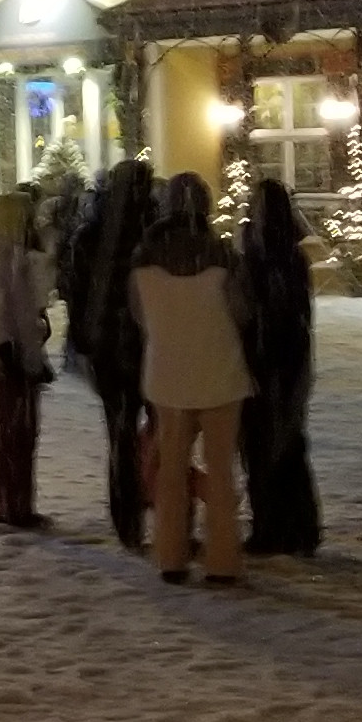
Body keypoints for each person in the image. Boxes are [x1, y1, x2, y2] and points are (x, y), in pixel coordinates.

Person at [127, 172, 253, 586]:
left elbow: (139, 317)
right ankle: (222, 560)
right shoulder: (222, 257)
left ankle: (171, 555)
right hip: (220, 372)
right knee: (220, 469)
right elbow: (242, 312)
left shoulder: (143, 261)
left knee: (171, 470)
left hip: (167, 375)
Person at [62, 153, 155, 551]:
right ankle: (165, 506)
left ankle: (128, 515)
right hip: (150, 347)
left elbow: (73, 291)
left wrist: (82, 337)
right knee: (162, 432)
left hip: (109, 349)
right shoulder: (153, 234)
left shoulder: (91, 236)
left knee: (121, 432)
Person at [236, 174, 322, 557]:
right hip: (292, 357)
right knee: (288, 441)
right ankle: (300, 527)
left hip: (266, 360)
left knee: (263, 444)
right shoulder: (292, 255)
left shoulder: (259, 258)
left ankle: (271, 527)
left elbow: (250, 311)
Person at [0, 185, 55, 528]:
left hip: (18, 354)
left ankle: (9, 500)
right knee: (17, 432)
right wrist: (11, 354)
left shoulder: (12, 255)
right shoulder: (0, 258)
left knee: (17, 431)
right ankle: (14, 504)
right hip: (10, 358)